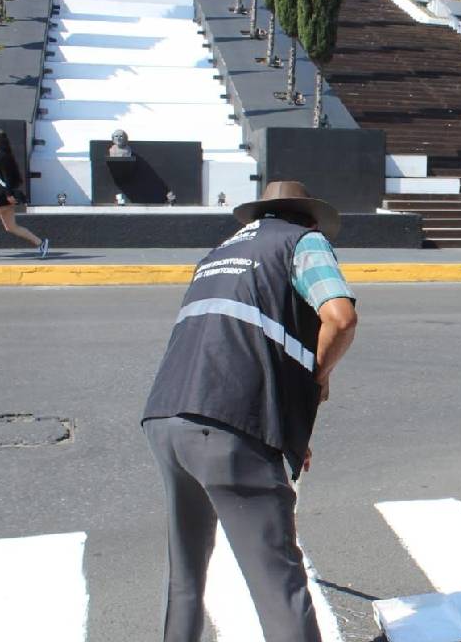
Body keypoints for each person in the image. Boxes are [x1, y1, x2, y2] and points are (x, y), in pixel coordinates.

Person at [142, 180, 357, 642]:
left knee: (185, 574)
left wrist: (290, 430)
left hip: (166, 418)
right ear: (310, 218)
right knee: (279, 582)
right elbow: (340, 317)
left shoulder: (217, 255)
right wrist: (314, 381)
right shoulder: (304, 241)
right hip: (227, 428)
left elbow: (236, 346)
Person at [0, 129, 49, 261]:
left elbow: (8, 178)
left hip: (1, 195)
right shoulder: (0, 155)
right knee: (11, 227)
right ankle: (41, 243)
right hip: (3, 194)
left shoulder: (1, 156)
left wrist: (8, 194)